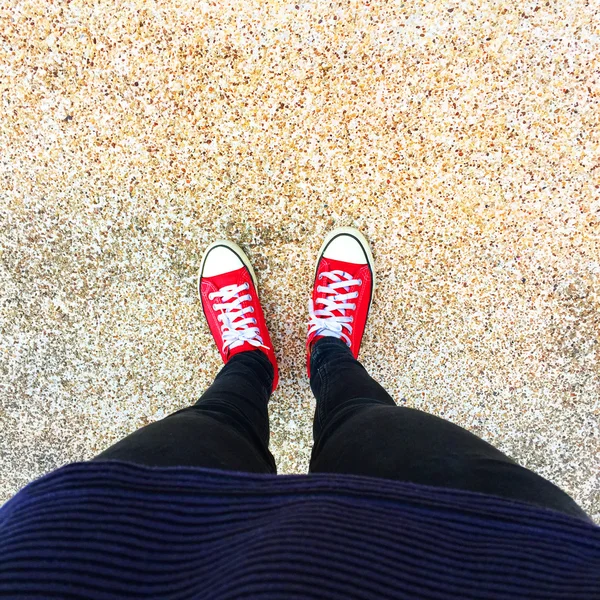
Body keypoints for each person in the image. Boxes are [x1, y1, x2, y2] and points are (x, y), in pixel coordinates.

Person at [1, 227, 598, 599]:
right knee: (368, 425)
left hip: (91, 570)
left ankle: (253, 363)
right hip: (498, 568)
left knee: (204, 436)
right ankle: (329, 353)